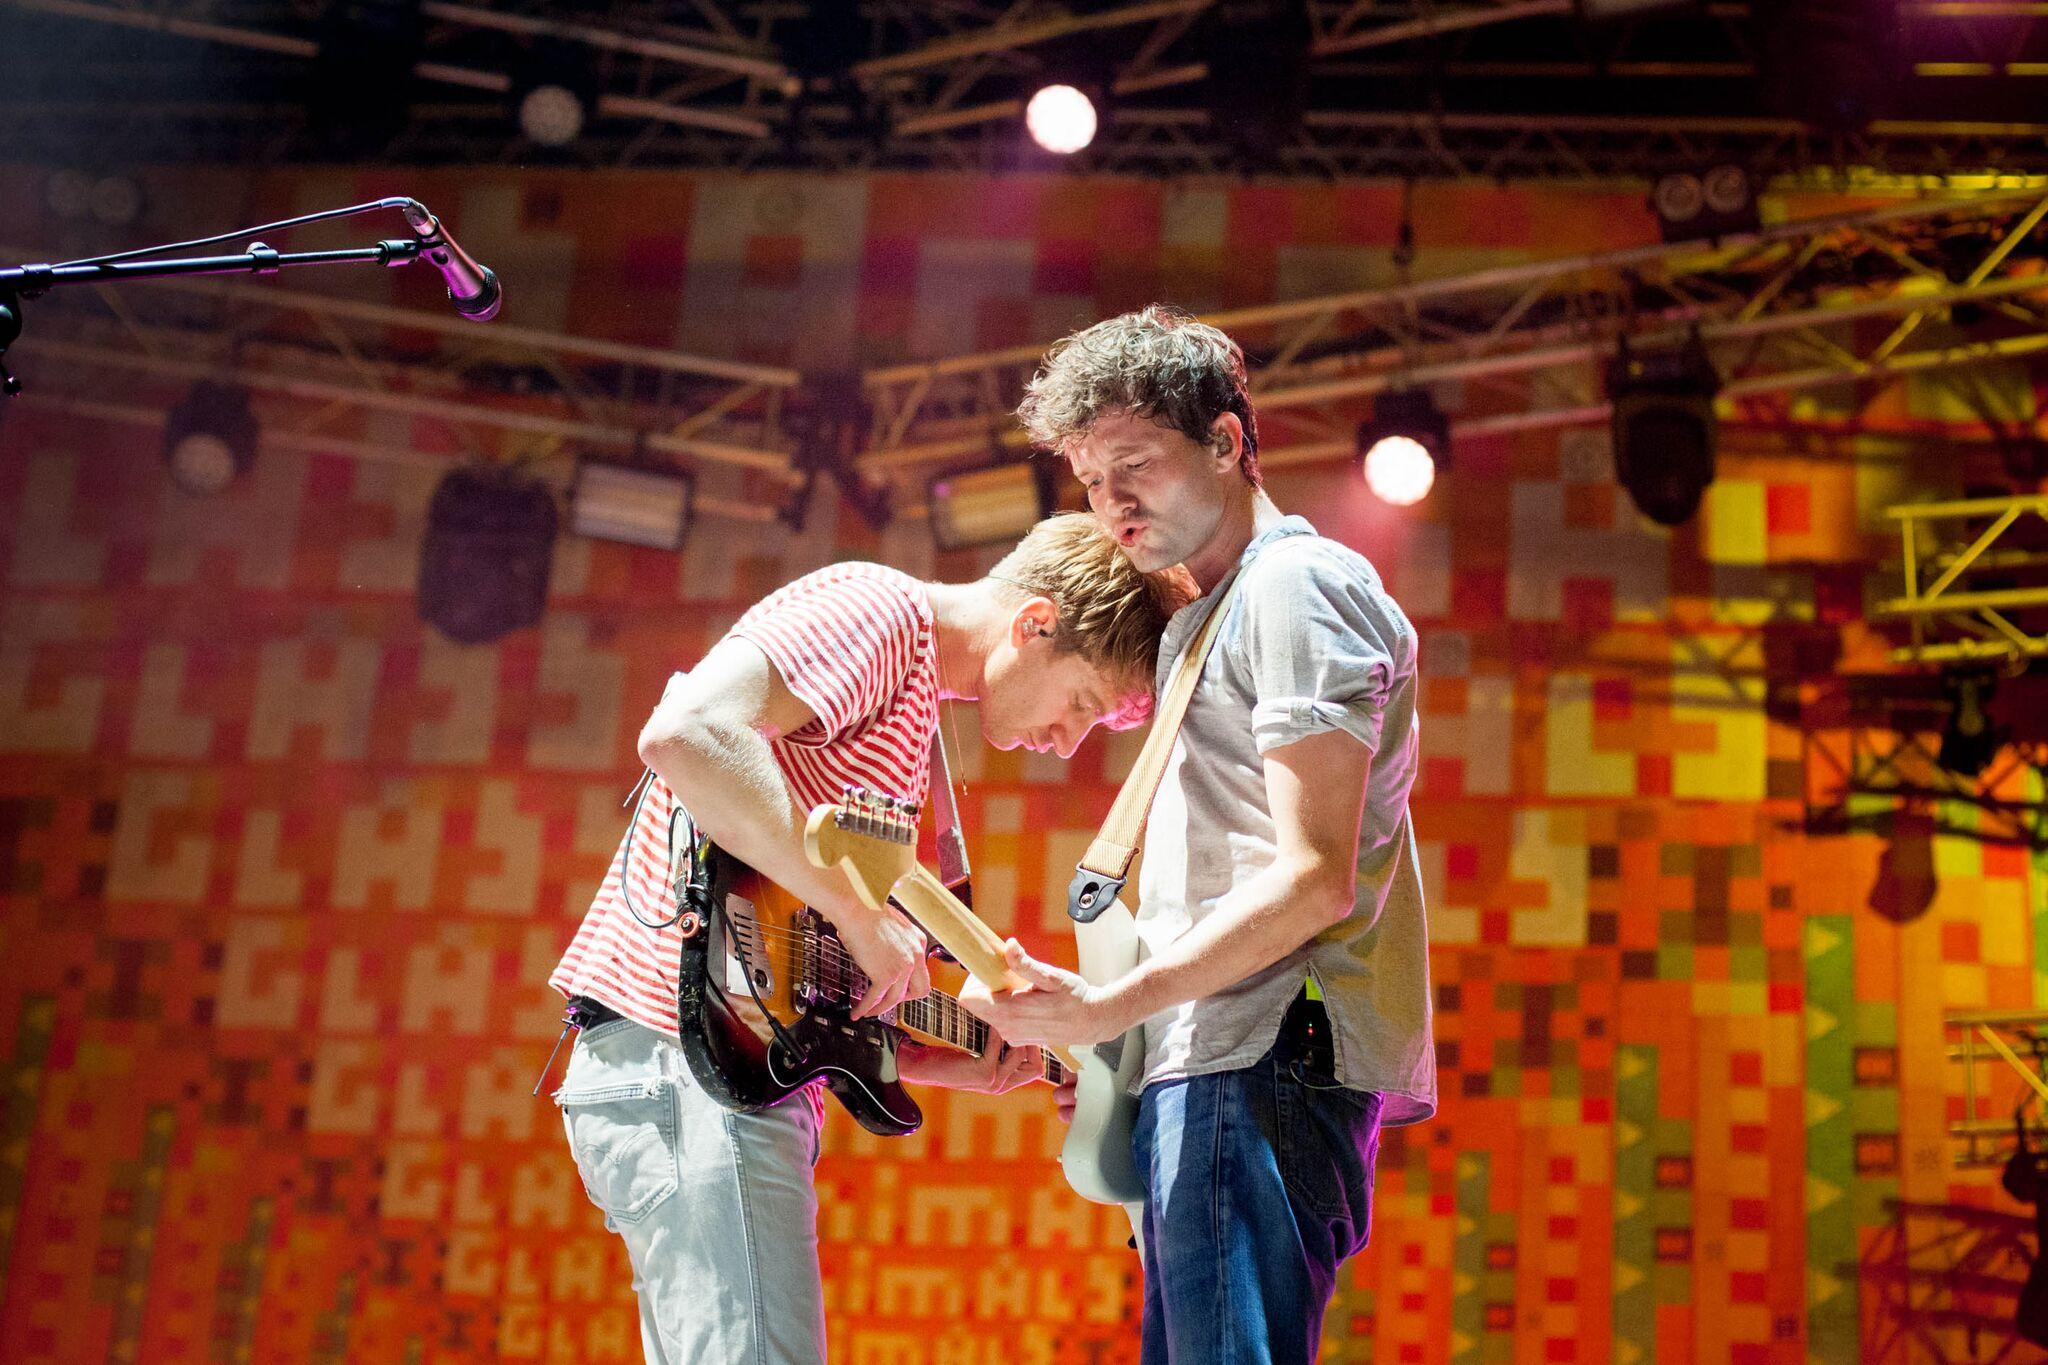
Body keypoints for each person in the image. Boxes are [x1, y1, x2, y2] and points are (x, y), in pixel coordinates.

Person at [547, 512, 1180, 1364]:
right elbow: (686, 731)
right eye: (1080, 705)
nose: (1067, 743)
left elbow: (804, 980)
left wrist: (935, 1058)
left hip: (716, 1079)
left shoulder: (915, 715)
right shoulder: (878, 613)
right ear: (1035, 623)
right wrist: (854, 909)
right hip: (686, 1064)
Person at [962, 306, 1437, 1364]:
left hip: (1260, 1055)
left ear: (1225, 441)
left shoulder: (1296, 588)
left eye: (1134, 463)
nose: (1110, 503)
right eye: (1088, 480)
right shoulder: (1210, 616)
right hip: (1207, 1060)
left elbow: (1314, 882)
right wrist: (1104, 1032)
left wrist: (1109, 1006)